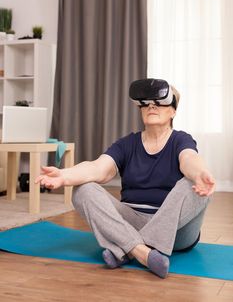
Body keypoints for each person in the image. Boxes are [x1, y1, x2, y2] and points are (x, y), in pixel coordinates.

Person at [35, 78, 215, 279]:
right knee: (83, 190)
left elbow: (189, 159)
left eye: (159, 102)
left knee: (195, 185)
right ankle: (142, 252)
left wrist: (200, 174)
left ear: (173, 111)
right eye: (146, 103)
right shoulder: (127, 144)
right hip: (132, 220)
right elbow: (98, 168)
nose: (151, 106)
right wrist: (64, 175)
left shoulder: (181, 140)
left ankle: (125, 248)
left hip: (176, 231)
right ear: (140, 109)